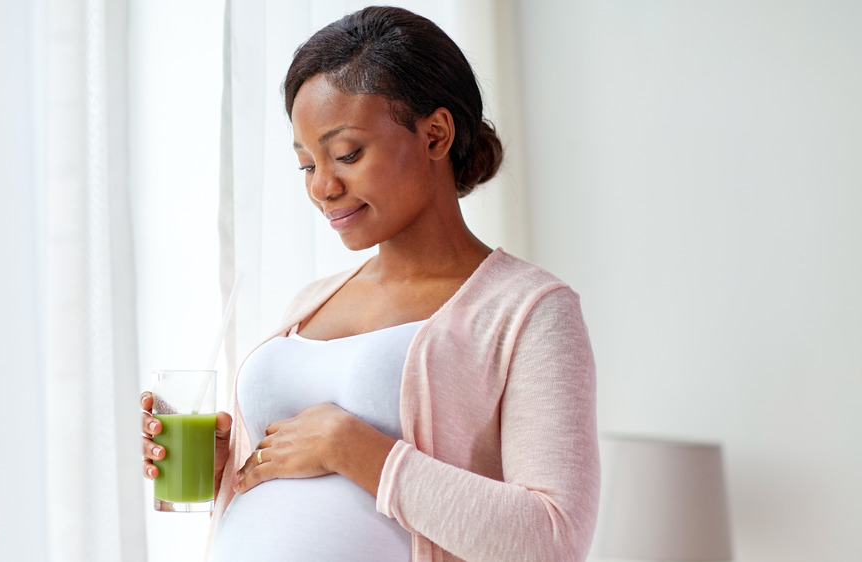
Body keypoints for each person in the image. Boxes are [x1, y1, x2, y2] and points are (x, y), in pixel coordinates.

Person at [141, 6, 599, 561]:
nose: (323, 188)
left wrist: (352, 447)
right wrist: (226, 470)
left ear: (435, 134)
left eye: (347, 154)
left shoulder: (527, 311)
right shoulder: (310, 303)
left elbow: (554, 540)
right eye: (307, 164)